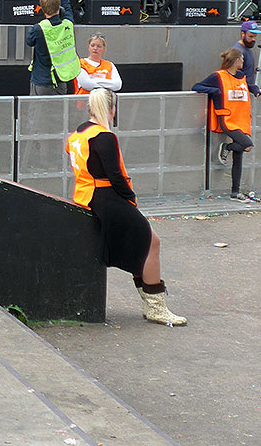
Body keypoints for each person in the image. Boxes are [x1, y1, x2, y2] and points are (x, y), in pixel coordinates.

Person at [65, 88, 187, 326]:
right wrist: (130, 197)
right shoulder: (104, 136)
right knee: (151, 242)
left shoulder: (78, 134)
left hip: (87, 195)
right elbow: (116, 176)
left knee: (141, 242)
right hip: (107, 197)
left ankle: (152, 305)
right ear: (111, 110)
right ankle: (156, 308)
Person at [193, 48, 260, 201]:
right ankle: (226, 147)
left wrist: (255, 89)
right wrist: (215, 91)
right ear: (236, 61)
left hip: (241, 119)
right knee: (247, 145)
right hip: (227, 119)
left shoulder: (242, 76)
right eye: (241, 59)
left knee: (239, 157)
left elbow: (248, 85)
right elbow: (196, 87)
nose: (243, 62)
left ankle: (235, 192)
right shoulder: (218, 76)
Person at [25, 0, 79, 95]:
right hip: (61, 79)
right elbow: (68, 7)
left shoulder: (38, 29)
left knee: (37, 113)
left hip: (41, 81)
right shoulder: (68, 24)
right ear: (59, 7)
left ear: (42, 9)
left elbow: (29, 41)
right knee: (58, 113)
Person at [234, 20, 261, 88]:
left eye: (255, 36)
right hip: (240, 91)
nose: (253, 39)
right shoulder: (238, 51)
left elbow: (247, 71)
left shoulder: (247, 49)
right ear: (243, 34)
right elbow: (233, 73)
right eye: (250, 36)